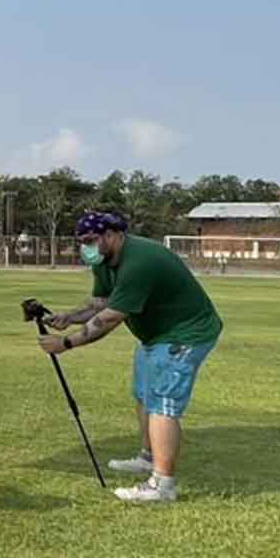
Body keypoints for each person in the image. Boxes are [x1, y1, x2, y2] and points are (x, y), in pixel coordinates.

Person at [38, 211, 223, 505]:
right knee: (144, 395)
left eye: (90, 241)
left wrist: (67, 343)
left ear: (112, 235)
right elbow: (100, 302)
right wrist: (69, 317)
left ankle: (162, 485)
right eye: (81, 242)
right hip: (154, 336)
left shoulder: (140, 263)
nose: (85, 247)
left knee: (162, 403)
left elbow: (110, 317)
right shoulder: (104, 259)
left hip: (184, 334)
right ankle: (148, 458)